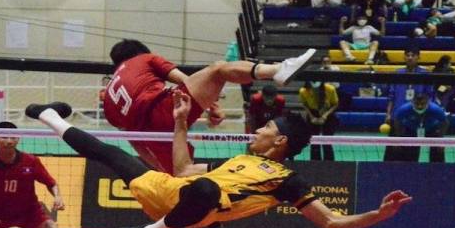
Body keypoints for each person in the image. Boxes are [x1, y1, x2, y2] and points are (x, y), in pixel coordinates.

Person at [24, 99, 411, 228]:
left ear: (280, 142)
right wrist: (179, 125)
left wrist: (376, 215)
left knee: (206, 190)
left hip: (203, 207)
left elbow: (331, 223)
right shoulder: (235, 160)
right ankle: (49, 116)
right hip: (173, 195)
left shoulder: (287, 180)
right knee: (111, 154)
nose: (257, 131)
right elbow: (181, 170)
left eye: (265, 129)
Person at [103, 39, 315, 174]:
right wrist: (211, 105)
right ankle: (278, 70)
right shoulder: (144, 59)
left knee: (185, 176)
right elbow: (185, 81)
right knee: (218, 70)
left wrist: (159, 166)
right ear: (140, 52)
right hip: (165, 111)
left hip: (151, 135)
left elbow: (137, 141)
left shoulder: (108, 100)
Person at [384, 47, 435, 161]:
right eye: (407, 55)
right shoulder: (398, 73)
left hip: (415, 118)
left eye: (413, 55)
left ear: (418, 57)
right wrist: (388, 114)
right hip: (397, 117)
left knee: (411, 152)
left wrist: (424, 114)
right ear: (404, 57)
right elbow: (391, 96)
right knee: (392, 151)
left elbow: (429, 95)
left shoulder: (425, 74)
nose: (410, 57)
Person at [386, 93, 448, 162]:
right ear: (412, 102)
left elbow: (445, 122)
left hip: (431, 128)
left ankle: (438, 170)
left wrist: (441, 140)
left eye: (422, 104)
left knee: (438, 151)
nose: (420, 106)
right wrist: (398, 138)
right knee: (410, 156)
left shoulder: (435, 109)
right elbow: (397, 121)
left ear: (428, 102)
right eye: (417, 104)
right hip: (411, 129)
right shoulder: (404, 109)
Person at [299, 81, 339, 161]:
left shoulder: (330, 89)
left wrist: (325, 116)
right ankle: (315, 163)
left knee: (327, 141)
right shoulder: (303, 90)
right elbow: (304, 104)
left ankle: (329, 163)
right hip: (313, 113)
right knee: (314, 142)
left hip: (328, 113)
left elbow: (335, 104)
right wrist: (311, 117)